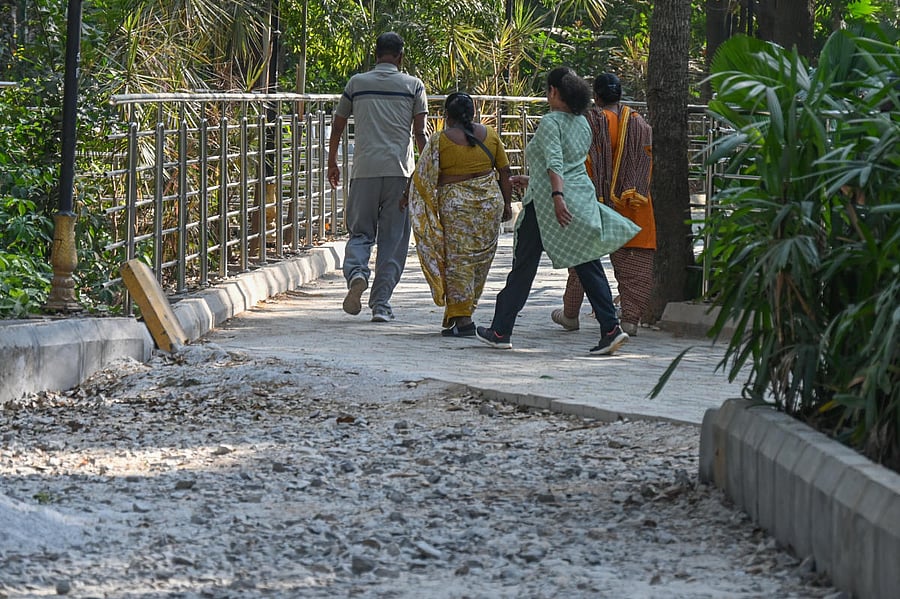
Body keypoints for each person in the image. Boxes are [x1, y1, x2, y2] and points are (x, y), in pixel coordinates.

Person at [475, 67, 640, 354]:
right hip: (576, 197)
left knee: (524, 267)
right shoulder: (582, 122)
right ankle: (610, 327)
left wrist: (556, 195)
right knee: (587, 263)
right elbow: (570, 161)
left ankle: (501, 330)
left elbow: (554, 161)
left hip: (548, 205)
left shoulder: (551, 122)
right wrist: (534, 180)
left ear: (553, 92)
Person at [327, 32, 428, 323]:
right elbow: (420, 133)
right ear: (400, 56)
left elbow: (338, 126)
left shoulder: (357, 84)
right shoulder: (413, 86)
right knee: (393, 241)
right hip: (400, 174)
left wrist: (332, 162)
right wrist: (431, 170)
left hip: (364, 172)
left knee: (360, 233)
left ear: (376, 54)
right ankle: (381, 304)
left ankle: (357, 272)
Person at [551, 73, 656, 337]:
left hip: (593, 200)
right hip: (634, 202)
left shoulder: (588, 122)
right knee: (635, 264)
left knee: (583, 261)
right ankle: (630, 319)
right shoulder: (639, 123)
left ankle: (571, 314)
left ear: (595, 97)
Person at [406, 92, 514, 337]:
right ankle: (464, 311)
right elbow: (505, 173)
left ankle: (463, 319)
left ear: (446, 116)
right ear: (473, 113)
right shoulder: (492, 135)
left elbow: (422, 178)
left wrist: (409, 199)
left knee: (458, 261)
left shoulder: (439, 140)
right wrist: (507, 205)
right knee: (479, 261)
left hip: (456, 207)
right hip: (489, 205)